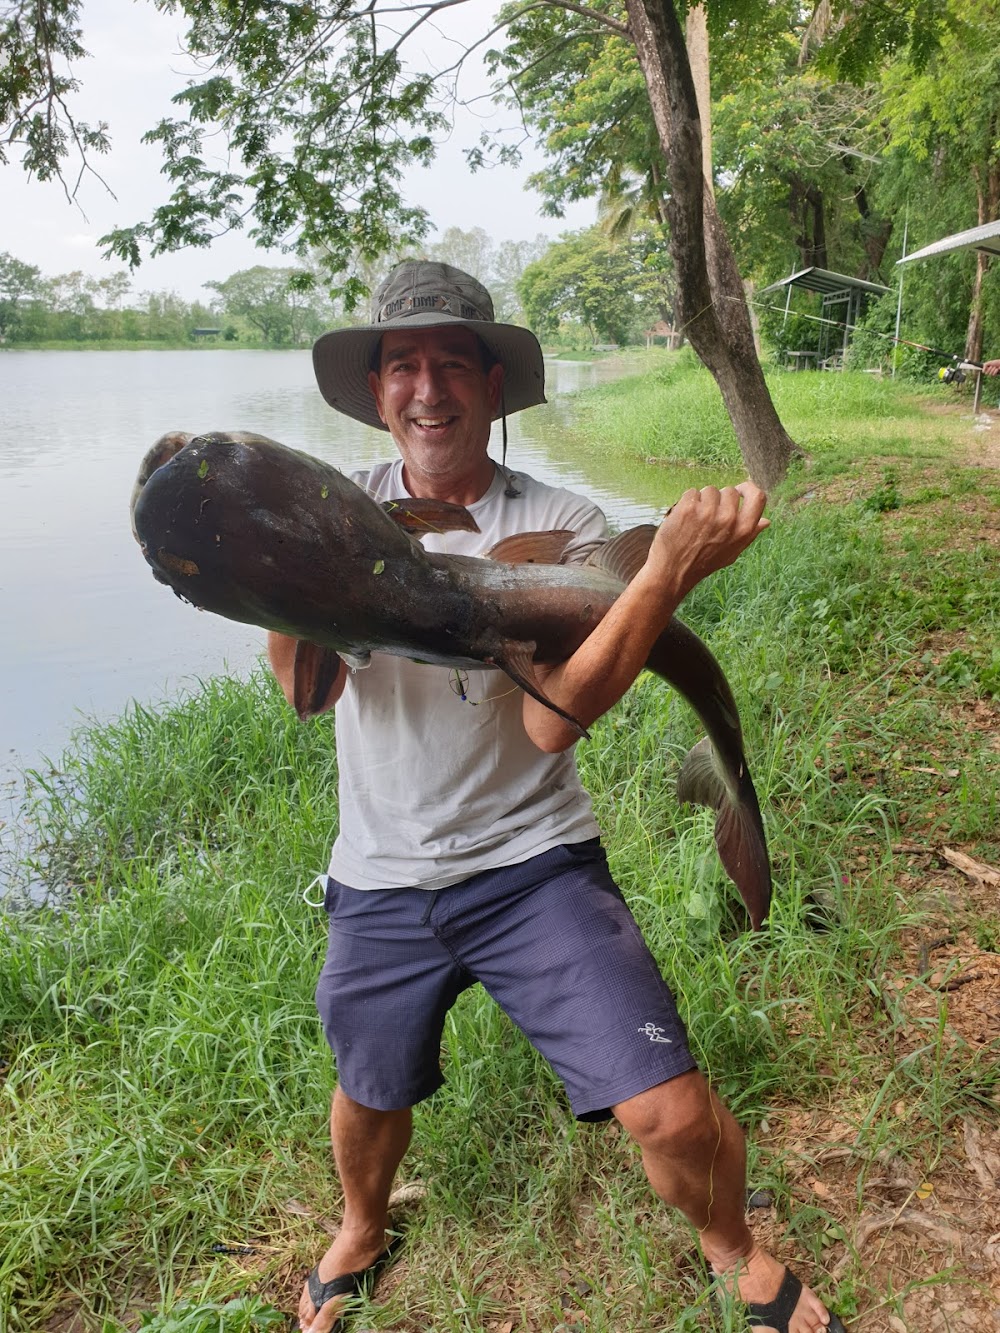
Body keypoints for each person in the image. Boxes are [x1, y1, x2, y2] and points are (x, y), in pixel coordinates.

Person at [267, 261, 848, 1333]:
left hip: (533, 865)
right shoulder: (336, 515)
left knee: (670, 1112)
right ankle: (361, 1226)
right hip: (382, 873)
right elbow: (306, 692)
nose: (427, 387)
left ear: (494, 385)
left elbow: (545, 725)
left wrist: (659, 576)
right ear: (377, 388)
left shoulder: (561, 518)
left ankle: (733, 1247)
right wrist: (281, 575)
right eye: (404, 365)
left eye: (452, 363)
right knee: (367, 1093)